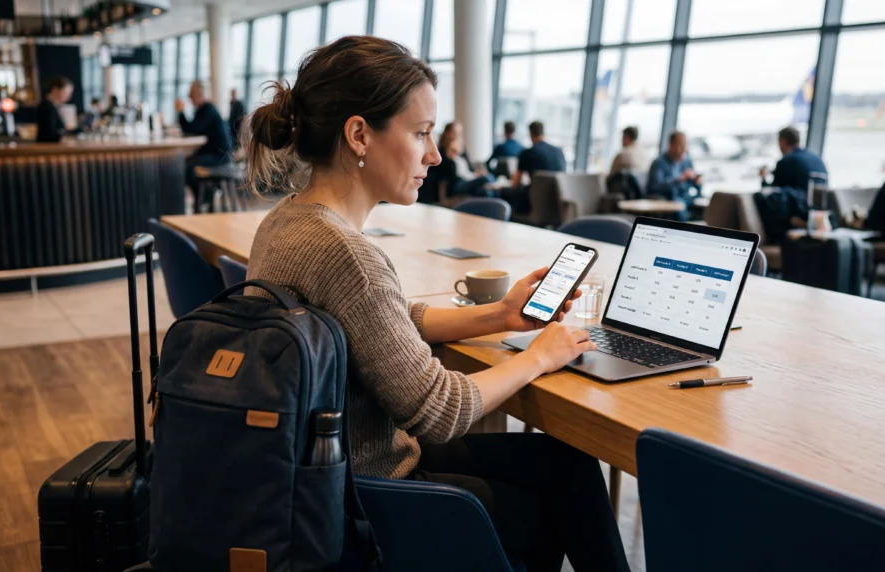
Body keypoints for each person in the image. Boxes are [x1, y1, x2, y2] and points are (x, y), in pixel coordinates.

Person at [243, 36, 630, 572]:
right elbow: (440, 410)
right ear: (359, 135)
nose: (435, 153)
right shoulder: (346, 255)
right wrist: (539, 354)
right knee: (559, 499)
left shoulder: (286, 220)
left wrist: (498, 316)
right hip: (374, 499)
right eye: (421, 133)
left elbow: (384, 323)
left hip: (325, 475)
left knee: (566, 463)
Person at [176, 80, 233, 213]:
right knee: (186, 164)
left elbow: (192, 129)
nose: (189, 97)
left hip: (220, 157)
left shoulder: (207, 109)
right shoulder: (204, 110)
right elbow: (192, 129)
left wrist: (181, 112)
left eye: (191, 94)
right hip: (217, 154)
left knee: (185, 167)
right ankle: (204, 196)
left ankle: (203, 197)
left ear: (198, 94)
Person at [504, 121, 567, 214]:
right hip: (557, 202)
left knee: (505, 193)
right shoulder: (559, 151)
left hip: (534, 202)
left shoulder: (528, 152)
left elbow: (515, 184)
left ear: (530, 134)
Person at [646, 130, 701, 221]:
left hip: (685, 197)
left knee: (705, 208)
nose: (683, 148)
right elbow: (655, 186)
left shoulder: (687, 161)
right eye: (680, 145)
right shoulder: (659, 163)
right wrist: (680, 179)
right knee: (679, 208)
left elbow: (693, 186)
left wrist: (697, 182)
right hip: (668, 198)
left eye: (685, 145)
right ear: (670, 145)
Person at [432, 121, 492, 199]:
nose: (457, 136)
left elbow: (470, 168)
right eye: (454, 132)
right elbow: (448, 174)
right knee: (486, 178)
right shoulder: (442, 151)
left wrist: (477, 173)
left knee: (485, 191)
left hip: (470, 178)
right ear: (447, 133)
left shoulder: (462, 150)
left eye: (459, 133)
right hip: (457, 184)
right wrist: (451, 155)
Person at [759, 126, 827, 191]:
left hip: (800, 202)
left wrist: (763, 178)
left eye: (778, 142)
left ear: (783, 141)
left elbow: (773, 192)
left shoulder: (786, 162)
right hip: (820, 202)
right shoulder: (817, 158)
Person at [35, 76, 76, 143]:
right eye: (66, 92)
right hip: (47, 149)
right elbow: (49, 134)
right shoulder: (47, 106)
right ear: (55, 90)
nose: (69, 96)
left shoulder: (52, 106)